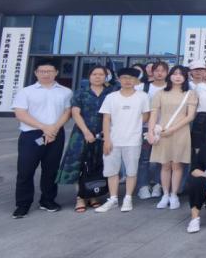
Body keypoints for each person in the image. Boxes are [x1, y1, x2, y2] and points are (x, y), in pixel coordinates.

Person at [12, 59, 72, 218]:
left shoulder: (65, 92)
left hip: (56, 134)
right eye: (42, 71)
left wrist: (54, 129)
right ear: (36, 73)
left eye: (49, 71)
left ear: (56, 72)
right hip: (32, 135)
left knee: (51, 170)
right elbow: (20, 114)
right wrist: (45, 128)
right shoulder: (26, 92)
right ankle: (23, 204)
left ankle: (47, 200)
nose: (46, 74)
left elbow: (67, 112)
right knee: (25, 170)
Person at [56, 65, 115, 213]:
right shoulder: (81, 92)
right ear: (89, 76)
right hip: (82, 135)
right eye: (94, 74)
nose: (98, 77)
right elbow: (75, 113)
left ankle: (93, 194)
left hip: (104, 134)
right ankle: (80, 197)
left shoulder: (111, 92)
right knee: (80, 166)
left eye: (101, 74)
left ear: (106, 77)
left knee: (97, 165)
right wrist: (86, 132)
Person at [95, 67, 151, 213]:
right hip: (113, 139)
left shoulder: (143, 96)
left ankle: (128, 197)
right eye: (124, 78)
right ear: (119, 79)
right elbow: (106, 119)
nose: (128, 81)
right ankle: (113, 198)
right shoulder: (111, 97)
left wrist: (134, 124)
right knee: (111, 170)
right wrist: (107, 140)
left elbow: (146, 115)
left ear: (136, 80)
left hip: (133, 140)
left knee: (131, 171)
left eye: (131, 78)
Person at [147, 65, 198, 210]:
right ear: (170, 76)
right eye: (175, 74)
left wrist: (172, 129)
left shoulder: (190, 94)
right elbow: (154, 114)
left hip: (181, 132)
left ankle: (174, 194)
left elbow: (190, 116)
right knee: (165, 165)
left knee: (177, 165)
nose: (177, 77)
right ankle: (165, 194)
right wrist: (150, 132)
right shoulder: (160, 93)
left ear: (185, 77)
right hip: (162, 132)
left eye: (181, 74)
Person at [137, 61, 169, 200]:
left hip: (164, 129)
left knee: (161, 159)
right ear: (151, 72)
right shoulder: (142, 87)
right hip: (145, 128)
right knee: (144, 159)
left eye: (163, 70)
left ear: (167, 73)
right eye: (157, 70)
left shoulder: (170, 88)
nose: (159, 73)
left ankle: (157, 184)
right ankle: (143, 186)